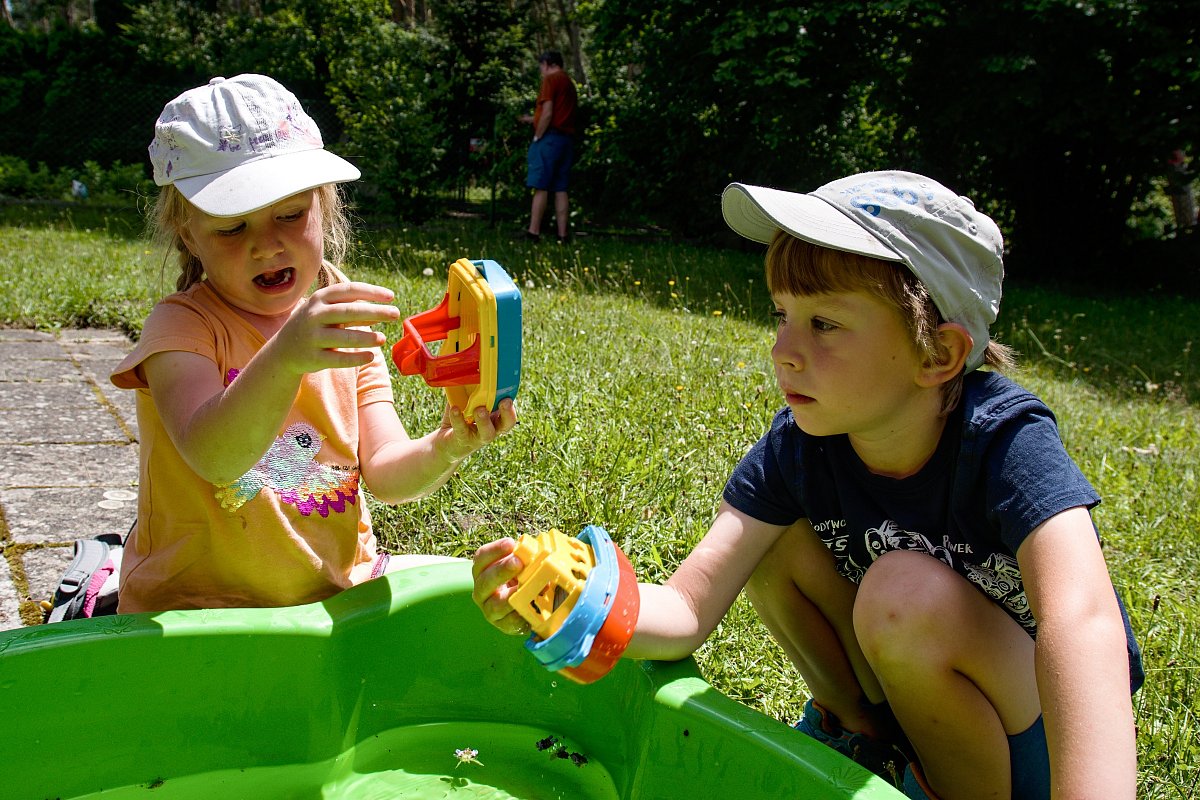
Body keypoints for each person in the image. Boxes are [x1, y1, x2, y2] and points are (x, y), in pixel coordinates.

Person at [472, 171, 1143, 799]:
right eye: (781, 315)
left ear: (938, 354)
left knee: (901, 593)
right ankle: (862, 740)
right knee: (775, 540)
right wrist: (579, 605)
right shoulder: (799, 447)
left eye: (824, 324)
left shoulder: (1004, 440)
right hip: (911, 697)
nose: (783, 350)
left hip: (1043, 737)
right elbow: (688, 608)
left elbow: (1084, 623)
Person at [112, 74, 517, 614]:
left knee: (485, 597)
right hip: (195, 608)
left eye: (289, 214)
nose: (266, 244)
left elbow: (386, 470)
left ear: (322, 207)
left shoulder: (343, 333)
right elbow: (216, 456)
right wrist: (285, 357)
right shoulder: (182, 328)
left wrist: (445, 445)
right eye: (232, 228)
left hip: (330, 601)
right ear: (188, 234)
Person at [520, 50, 578, 243]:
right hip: (566, 139)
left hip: (549, 138)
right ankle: (563, 235)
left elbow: (547, 113)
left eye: (541, 67)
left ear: (547, 64)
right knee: (561, 188)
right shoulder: (569, 83)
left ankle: (533, 232)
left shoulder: (550, 80)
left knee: (541, 185)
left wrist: (537, 136)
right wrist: (531, 119)